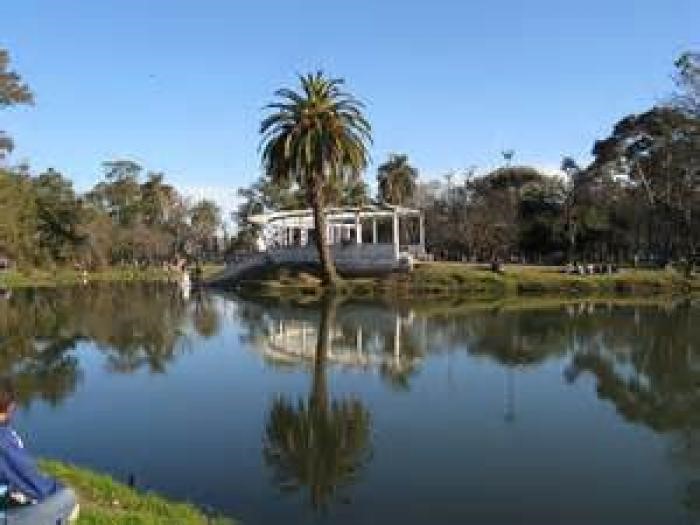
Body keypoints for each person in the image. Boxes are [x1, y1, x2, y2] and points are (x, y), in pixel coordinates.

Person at [0, 379, 79, 524]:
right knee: (68, 498)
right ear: (11, 407)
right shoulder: (3, 441)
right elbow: (34, 482)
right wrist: (58, 489)